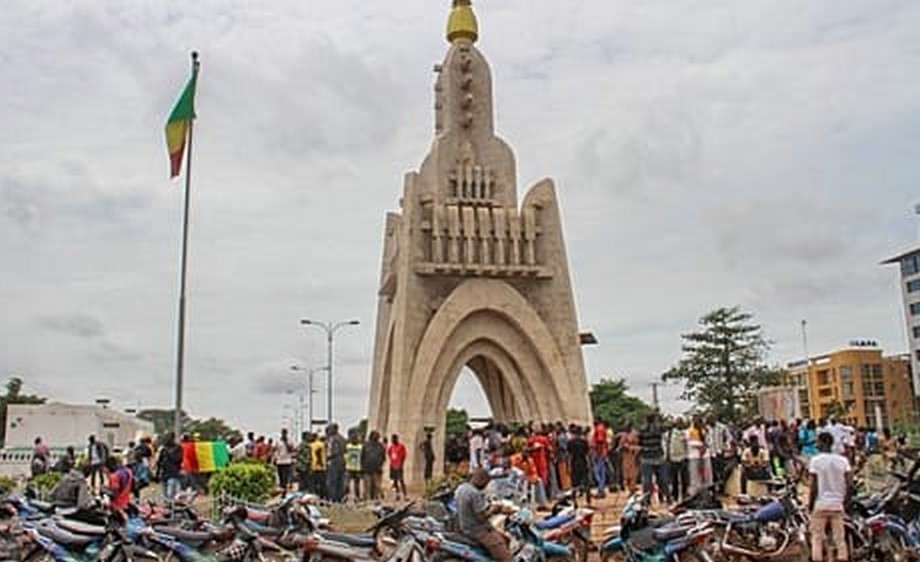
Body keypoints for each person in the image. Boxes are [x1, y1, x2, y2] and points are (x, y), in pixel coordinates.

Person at [808, 431, 852, 562]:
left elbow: (814, 487)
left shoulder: (815, 461)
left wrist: (810, 505)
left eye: (818, 442)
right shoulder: (843, 461)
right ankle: (842, 558)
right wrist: (845, 502)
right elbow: (850, 485)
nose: (816, 445)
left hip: (820, 504)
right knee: (840, 539)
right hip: (837, 504)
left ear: (822, 443)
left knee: (817, 538)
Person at [455, 468, 512, 562]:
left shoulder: (461, 488)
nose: (486, 485)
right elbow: (481, 517)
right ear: (481, 480)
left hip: (465, 527)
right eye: (486, 482)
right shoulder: (474, 493)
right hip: (478, 531)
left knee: (506, 538)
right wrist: (494, 510)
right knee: (507, 558)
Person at [638, 413, 668, 503]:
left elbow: (640, 443)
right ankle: (664, 497)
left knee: (647, 481)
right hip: (657, 457)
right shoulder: (659, 428)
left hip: (646, 457)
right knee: (662, 480)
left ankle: (647, 499)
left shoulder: (642, 429)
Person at [665, 418, 689, 502]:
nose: (680, 425)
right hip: (673, 458)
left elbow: (687, 446)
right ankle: (675, 496)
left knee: (684, 479)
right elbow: (666, 445)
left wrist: (687, 457)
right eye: (678, 423)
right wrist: (667, 457)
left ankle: (684, 495)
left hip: (683, 458)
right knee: (674, 479)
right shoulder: (669, 434)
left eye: (681, 423)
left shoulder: (685, 433)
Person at [155, 433, 183, 500]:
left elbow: (178, 460)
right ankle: (168, 508)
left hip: (172, 473)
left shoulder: (177, 448)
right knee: (166, 496)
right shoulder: (163, 449)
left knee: (170, 495)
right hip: (165, 474)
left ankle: (171, 508)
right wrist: (157, 473)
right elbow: (159, 462)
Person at [567, 427, 591, 504]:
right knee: (586, 481)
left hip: (574, 462)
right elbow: (587, 454)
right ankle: (588, 500)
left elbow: (569, 455)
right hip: (583, 462)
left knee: (574, 482)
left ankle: (574, 501)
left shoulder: (570, 442)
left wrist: (569, 466)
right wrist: (589, 464)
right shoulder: (584, 442)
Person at [362, 431, 386, 501]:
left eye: (377, 436)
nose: (376, 437)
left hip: (377, 470)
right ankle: (366, 500)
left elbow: (383, 457)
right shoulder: (366, 445)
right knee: (367, 486)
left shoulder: (380, 446)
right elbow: (362, 457)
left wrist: (380, 465)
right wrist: (362, 468)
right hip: (367, 469)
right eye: (375, 436)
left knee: (376, 486)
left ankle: (374, 499)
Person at [326, 424, 347, 502]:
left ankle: (333, 498)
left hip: (334, 461)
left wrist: (328, 457)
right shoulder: (342, 438)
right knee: (340, 481)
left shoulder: (333, 439)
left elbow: (333, 452)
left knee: (332, 480)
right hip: (341, 461)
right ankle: (339, 497)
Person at [591, 420, 610, 498]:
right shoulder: (602, 429)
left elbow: (600, 441)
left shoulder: (599, 429)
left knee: (598, 472)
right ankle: (601, 489)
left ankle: (601, 489)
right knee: (601, 472)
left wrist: (598, 454)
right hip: (602, 453)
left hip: (600, 453)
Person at [387, 434, 408, 500]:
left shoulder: (401, 446)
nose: (392, 440)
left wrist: (401, 464)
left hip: (399, 466)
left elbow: (404, 455)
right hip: (393, 466)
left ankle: (405, 495)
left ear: (396, 439)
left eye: (393, 439)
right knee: (395, 481)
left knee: (401, 480)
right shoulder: (391, 447)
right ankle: (397, 494)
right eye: (392, 439)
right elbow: (389, 454)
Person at [345, 431, 363, 501]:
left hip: (350, 467)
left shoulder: (348, 446)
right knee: (354, 484)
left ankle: (348, 496)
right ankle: (356, 497)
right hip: (355, 467)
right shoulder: (360, 447)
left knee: (350, 483)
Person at [310, 434, 327, 499]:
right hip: (321, 466)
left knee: (314, 483)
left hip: (313, 466)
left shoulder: (311, 445)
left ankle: (315, 495)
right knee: (322, 483)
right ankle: (322, 496)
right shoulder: (322, 445)